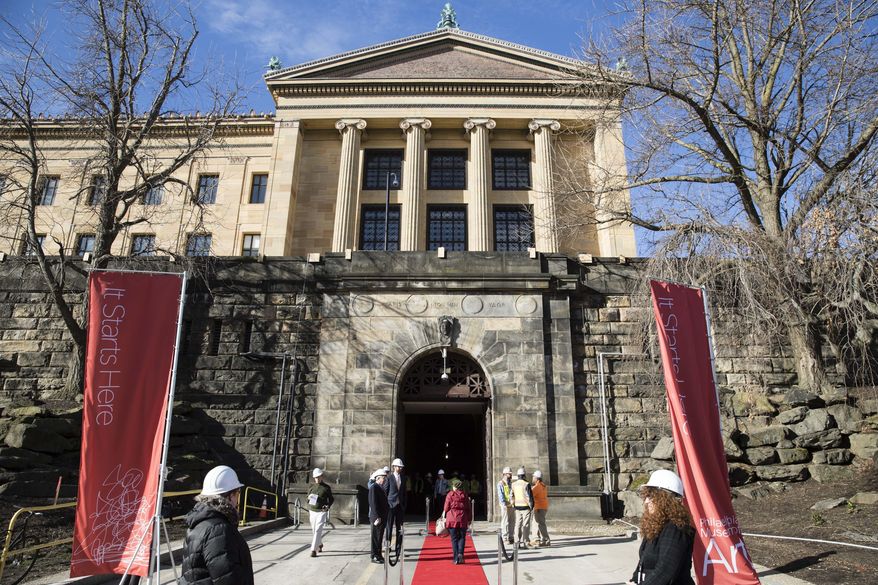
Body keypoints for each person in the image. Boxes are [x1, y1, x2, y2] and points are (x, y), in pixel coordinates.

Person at [181, 465, 254, 585]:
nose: (237, 498)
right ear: (230, 496)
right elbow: (227, 578)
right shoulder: (219, 529)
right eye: (237, 492)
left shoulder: (199, 523)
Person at [627, 470, 695, 585]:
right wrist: (634, 580)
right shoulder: (656, 525)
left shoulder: (675, 529)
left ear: (665, 499)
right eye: (645, 496)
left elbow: (665, 571)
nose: (646, 502)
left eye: (650, 496)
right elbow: (643, 563)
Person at [443, 478, 472, 564]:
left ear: (454, 486)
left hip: (452, 518)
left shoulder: (449, 495)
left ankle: (455, 558)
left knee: (454, 539)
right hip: (462, 518)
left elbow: (446, 508)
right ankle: (461, 554)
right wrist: (469, 519)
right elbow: (468, 508)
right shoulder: (465, 495)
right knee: (462, 538)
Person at [307, 467, 334, 557]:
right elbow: (307, 498)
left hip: (322, 511)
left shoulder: (326, 488)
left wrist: (328, 506)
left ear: (321, 477)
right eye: (315, 477)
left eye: (318, 477)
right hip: (312, 510)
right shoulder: (311, 487)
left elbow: (331, 499)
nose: (317, 479)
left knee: (318, 530)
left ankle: (313, 550)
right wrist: (309, 498)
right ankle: (319, 544)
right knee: (314, 530)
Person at [368, 468, 389, 564]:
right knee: (376, 537)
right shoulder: (374, 487)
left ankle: (378, 554)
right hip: (378, 517)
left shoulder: (380, 487)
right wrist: (377, 516)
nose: (384, 480)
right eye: (383, 478)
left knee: (379, 537)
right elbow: (373, 503)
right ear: (378, 478)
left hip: (382, 516)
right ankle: (374, 555)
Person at [510, 467, 534, 548]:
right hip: (525, 507)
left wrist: (513, 504)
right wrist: (531, 506)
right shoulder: (526, 484)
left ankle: (516, 542)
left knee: (518, 525)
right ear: (524, 475)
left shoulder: (513, 484)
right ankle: (526, 542)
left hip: (517, 507)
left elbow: (511, 496)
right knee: (526, 525)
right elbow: (529, 497)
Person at [385, 458, 407, 544]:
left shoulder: (403, 478)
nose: (400, 468)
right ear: (394, 467)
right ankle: (388, 550)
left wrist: (404, 505)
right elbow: (385, 492)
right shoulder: (389, 478)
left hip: (400, 506)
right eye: (398, 466)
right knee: (389, 527)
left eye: (401, 467)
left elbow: (404, 493)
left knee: (400, 528)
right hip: (391, 506)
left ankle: (398, 551)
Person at [530, 470, 550, 547]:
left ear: (537, 478)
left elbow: (530, 494)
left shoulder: (537, 487)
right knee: (539, 523)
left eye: (533, 477)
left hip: (538, 507)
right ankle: (538, 539)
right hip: (543, 507)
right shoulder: (543, 485)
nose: (532, 478)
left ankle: (542, 540)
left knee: (538, 524)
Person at [496, 467, 515, 544]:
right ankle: (505, 537)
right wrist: (504, 504)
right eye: (509, 474)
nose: (510, 475)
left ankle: (511, 537)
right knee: (505, 522)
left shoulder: (510, 483)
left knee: (512, 522)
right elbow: (501, 495)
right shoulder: (500, 483)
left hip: (511, 504)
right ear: (504, 474)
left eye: (510, 474)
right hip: (505, 505)